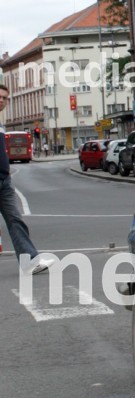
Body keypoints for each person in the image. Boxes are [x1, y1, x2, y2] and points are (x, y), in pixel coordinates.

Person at [0, 84, 51, 274]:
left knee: (15, 220)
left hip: (4, 181)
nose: (2, 100)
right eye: (0, 97)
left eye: (5, 97)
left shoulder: (1, 124)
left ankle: (29, 261)